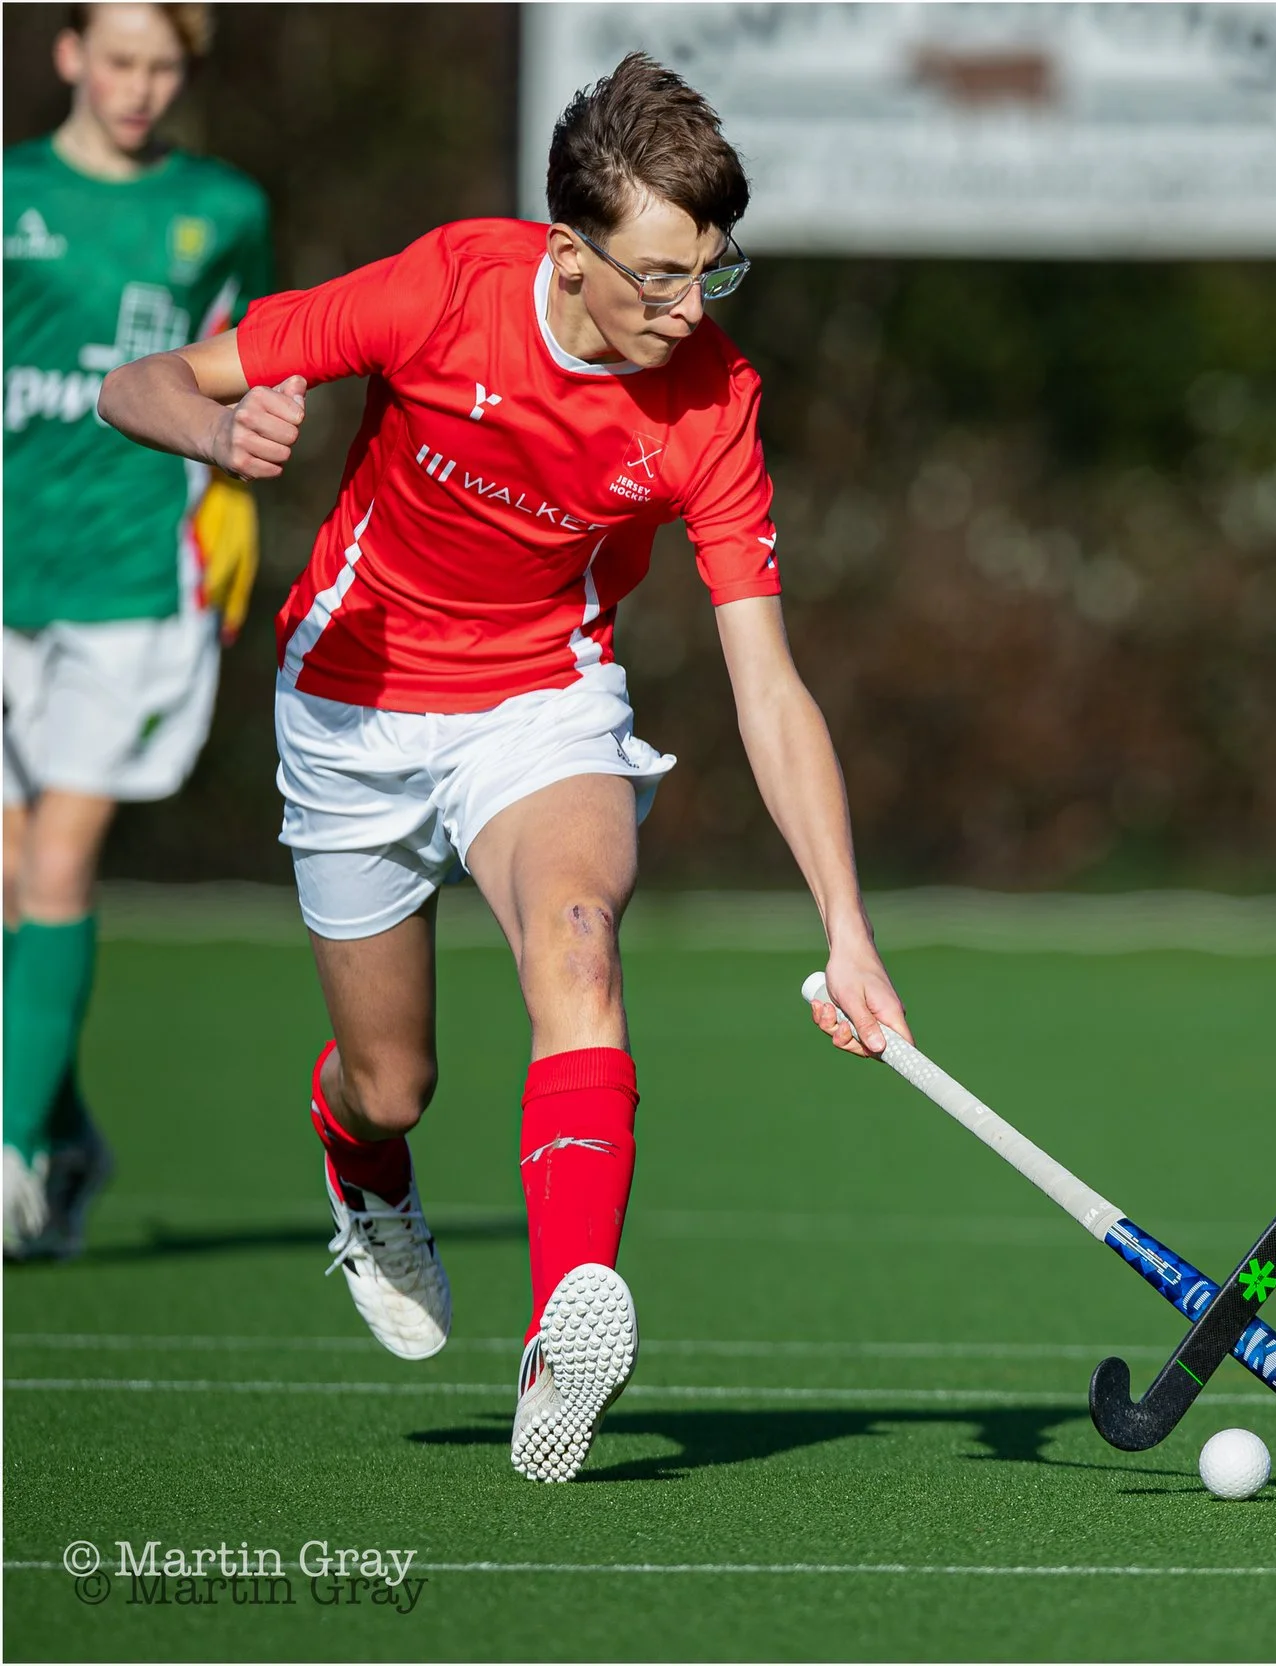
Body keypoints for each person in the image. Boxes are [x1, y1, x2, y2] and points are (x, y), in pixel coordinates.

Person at [98, 53, 911, 1478]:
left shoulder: (711, 401)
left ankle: (560, 1338)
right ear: (566, 251)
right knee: (389, 1081)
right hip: (350, 702)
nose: (684, 309)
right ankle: (363, 1176)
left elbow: (767, 683)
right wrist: (220, 431)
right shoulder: (442, 292)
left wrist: (846, 924)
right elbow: (139, 383)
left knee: (580, 945)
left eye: (709, 273)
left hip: (540, 699)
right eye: (657, 276)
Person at [3, 2, 269, 1260]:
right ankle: (66, 1131)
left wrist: (236, 470)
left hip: (131, 583)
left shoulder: (222, 211)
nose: (138, 86)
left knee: (57, 867)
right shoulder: (9, 198)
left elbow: (240, 375)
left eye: (164, 65)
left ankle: (8, 1160)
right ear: (66, 55)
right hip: (10, 572)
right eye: (117, 58)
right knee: (10, 888)